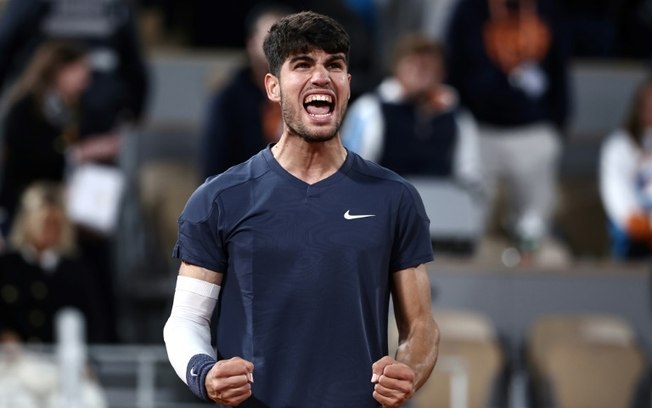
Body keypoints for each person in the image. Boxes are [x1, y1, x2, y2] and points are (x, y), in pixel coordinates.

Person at [163, 11, 439, 407]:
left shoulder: (395, 197)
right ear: (273, 87)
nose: (321, 76)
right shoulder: (218, 199)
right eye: (303, 64)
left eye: (335, 65)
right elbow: (187, 319)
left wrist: (409, 370)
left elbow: (420, 327)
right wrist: (202, 372)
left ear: (347, 83)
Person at [446, 0, 570, 262]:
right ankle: (474, 279)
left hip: (534, 129)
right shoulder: (470, 9)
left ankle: (533, 287)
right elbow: (454, 64)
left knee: (535, 226)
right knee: (476, 219)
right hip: (481, 129)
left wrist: (554, 123)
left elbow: (560, 68)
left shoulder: (546, 9)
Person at [341, 33, 483, 189]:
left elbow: (469, 175)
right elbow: (352, 171)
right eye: (413, 65)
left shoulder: (457, 117)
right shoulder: (369, 111)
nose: (420, 73)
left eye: (428, 67)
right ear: (396, 68)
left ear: (442, 73)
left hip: (439, 204)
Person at [0, 182, 109, 344]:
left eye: (54, 223)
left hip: (60, 362)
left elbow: (96, 325)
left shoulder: (77, 270)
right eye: (42, 222)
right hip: (12, 363)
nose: (47, 230)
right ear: (26, 222)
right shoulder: (5, 267)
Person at [199, 3, 291, 179]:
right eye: (272, 38)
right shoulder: (228, 100)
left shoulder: (307, 97)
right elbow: (213, 172)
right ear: (252, 44)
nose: (281, 48)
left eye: (289, 39)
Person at [599, 77, 652, 259]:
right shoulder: (618, 147)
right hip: (633, 239)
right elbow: (622, 208)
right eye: (648, 104)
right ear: (638, 108)